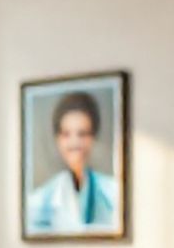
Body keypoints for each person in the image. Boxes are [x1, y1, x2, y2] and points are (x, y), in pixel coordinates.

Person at [26, 91, 118, 235]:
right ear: (57, 139)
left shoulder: (113, 192)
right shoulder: (38, 201)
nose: (74, 143)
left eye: (82, 134)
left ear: (93, 137)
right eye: (66, 134)